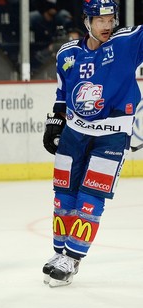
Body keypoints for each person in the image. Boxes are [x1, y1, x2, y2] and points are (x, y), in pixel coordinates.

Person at [42, 0, 143, 287]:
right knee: (64, 195)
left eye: (111, 19)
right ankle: (60, 253)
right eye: (100, 20)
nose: (107, 25)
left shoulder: (127, 43)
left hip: (111, 134)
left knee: (91, 197)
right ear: (87, 22)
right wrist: (56, 122)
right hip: (74, 133)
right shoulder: (68, 54)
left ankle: (72, 260)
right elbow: (63, 93)